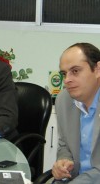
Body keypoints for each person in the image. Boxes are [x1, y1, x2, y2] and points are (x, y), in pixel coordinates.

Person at [51, 43, 100, 183]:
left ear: (97, 69)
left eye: (75, 71)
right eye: (64, 74)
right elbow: (64, 145)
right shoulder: (64, 100)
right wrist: (63, 162)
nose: (67, 80)